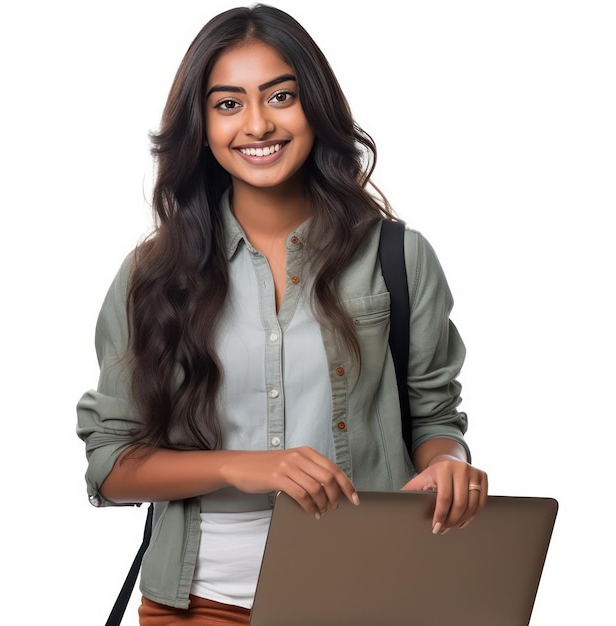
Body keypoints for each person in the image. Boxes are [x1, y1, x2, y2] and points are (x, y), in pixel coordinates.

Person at [77, 4, 488, 625]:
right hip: (201, 603)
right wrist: (242, 467)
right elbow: (111, 465)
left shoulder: (399, 257)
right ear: (202, 125)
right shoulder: (150, 278)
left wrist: (449, 465)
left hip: (372, 594)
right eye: (228, 103)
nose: (258, 123)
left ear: (315, 107)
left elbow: (433, 418)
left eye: (281, 96)